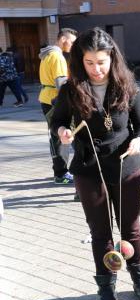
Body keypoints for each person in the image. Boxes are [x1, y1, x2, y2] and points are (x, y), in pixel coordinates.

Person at [51, 28, 140, 300]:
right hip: (88, 167)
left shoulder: (127, 85)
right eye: (89, 63)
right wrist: (63, 130)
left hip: (125, 165)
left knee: (130, 228)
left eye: (102, 62)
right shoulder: (71, 90)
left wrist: (139, 141)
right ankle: (106, 286)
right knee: (100, 231)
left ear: (112, 58)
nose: (96, 69)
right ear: (79, 61)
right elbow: (57, 120)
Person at [39, 28, 78, 184]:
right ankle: (61, 173)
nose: (73, 45)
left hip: (46, 98)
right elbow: (61, 83)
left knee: (56, 136)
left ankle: (59, 171)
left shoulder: (47, 54)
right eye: (72, 41)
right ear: (63, 39)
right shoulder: (57, 57)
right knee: (64, 135)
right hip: (55, 100)